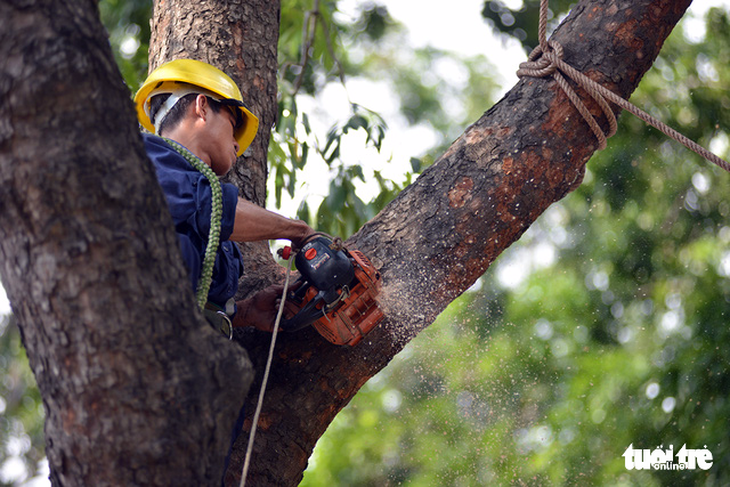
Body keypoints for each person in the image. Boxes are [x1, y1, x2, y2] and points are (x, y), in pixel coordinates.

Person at [134, 58, 313, 333]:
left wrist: (244, 312)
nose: (237, 143)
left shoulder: (184, 203)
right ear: (202, 107)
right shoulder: (144, 158)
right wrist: (298, 231)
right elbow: (209, 208)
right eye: (233, 123)